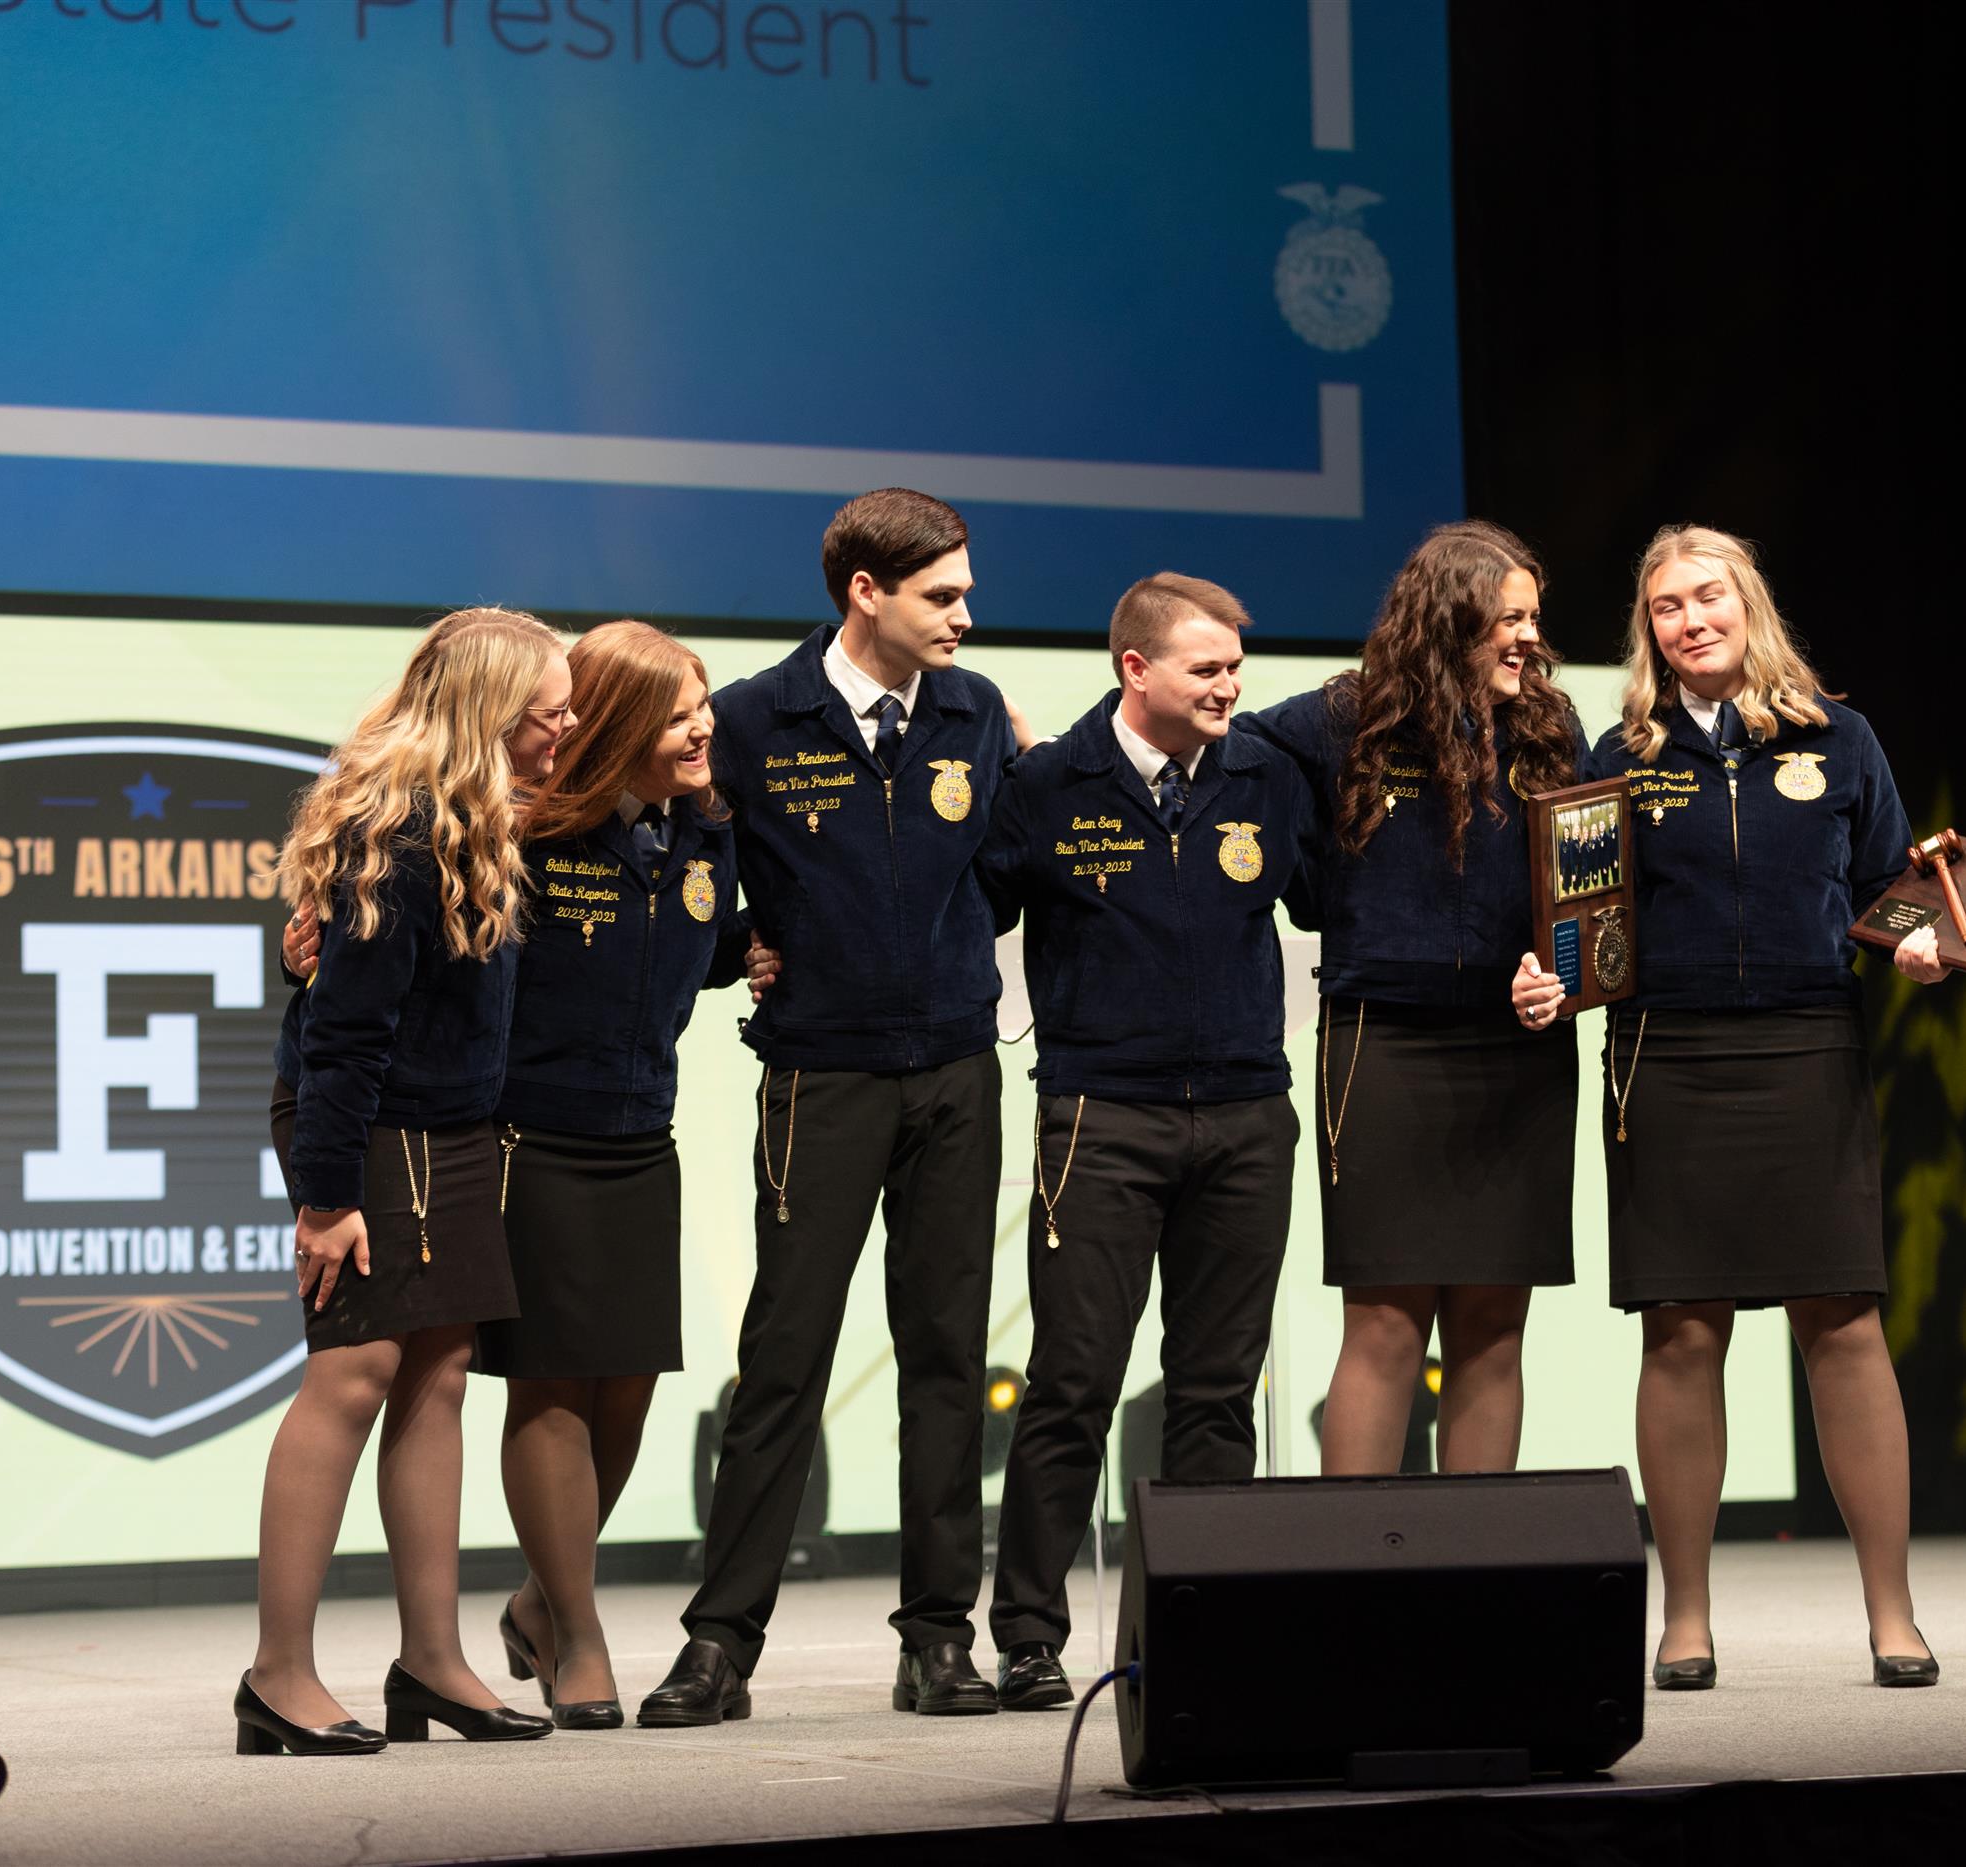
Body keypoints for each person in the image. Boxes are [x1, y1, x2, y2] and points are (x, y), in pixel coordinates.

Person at [284, 620, 750, 1729]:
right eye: (677, 714)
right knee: (428, 1378)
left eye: (705, 707)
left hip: (604, 1129)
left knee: (551, 1381)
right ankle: (538, 1634)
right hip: (499, 1135)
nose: (703, 730)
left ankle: (472, 1637)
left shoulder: (693, 827)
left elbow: (665, 944)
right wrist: (326, 1189)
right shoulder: (487, 822)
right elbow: (359, 988)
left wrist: (751, 953)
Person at [640, 488, 1022, 1725]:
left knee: (947, 1357)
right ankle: (719, 1644)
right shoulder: (757, 716)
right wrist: (736, 944)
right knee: (784, 1356)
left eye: (964, 593)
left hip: (956, 1070)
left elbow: (1006, 876)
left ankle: (938, 1639)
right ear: (866, 591)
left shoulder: (974, 712)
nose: (965, 616)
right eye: (942, 595)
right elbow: (691, 868)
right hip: (820, 1075)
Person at [1587, 523, 1948, 1692]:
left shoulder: (1839, 737)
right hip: (1664, 1056)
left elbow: (1890, 885)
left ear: (1749, 603)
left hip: (1807, 1047)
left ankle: (1892, 1615)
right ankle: (1685, 1619)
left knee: (1842, 1322)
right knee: (1681, 1331)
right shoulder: (1619, 752)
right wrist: (1552, 972)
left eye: (1707, 596)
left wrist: (1916, 944)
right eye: (1666, 607)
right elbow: (1578, 909)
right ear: (1648, 630)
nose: (1690, 620)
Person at [973, 574, 1314, 1711]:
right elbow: (961, 915)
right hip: (1100, 1118)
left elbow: (1334, 901)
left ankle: (1205, 1625)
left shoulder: (1267, 775)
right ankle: (1028, 1634)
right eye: (1205, 669)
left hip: (1247, 1117)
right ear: (1136, 669)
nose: (1228, 688)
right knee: (1073, 1380)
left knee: (1216, 1389)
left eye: (1234, 669)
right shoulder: (1045, 784)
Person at [237, 607, 568, 1758]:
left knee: (440, 1373)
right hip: (369, 1130)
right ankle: (277, 1675)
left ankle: (431, 1661)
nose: (564, 731)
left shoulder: (484, 815)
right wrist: (326, 1200)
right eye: (548, 713)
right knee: (353, 1374)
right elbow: (343, 1038)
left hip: (451, 1130)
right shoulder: (400, 831)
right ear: (488, 715)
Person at [1236, 520, 1585, 1475]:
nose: (1529, 638)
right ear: (1449, 618)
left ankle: (1474, 1558)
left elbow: (1584, 891)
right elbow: (1228, 759)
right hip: (1382, 1048)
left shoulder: (1552, 729)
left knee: (1494, 1325)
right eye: (1509, 619)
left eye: (1534, 618)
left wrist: (1558, 972)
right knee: (1387, 1324)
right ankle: (1360, 1559)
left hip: (1519, 1058)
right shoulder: (1341, 720)